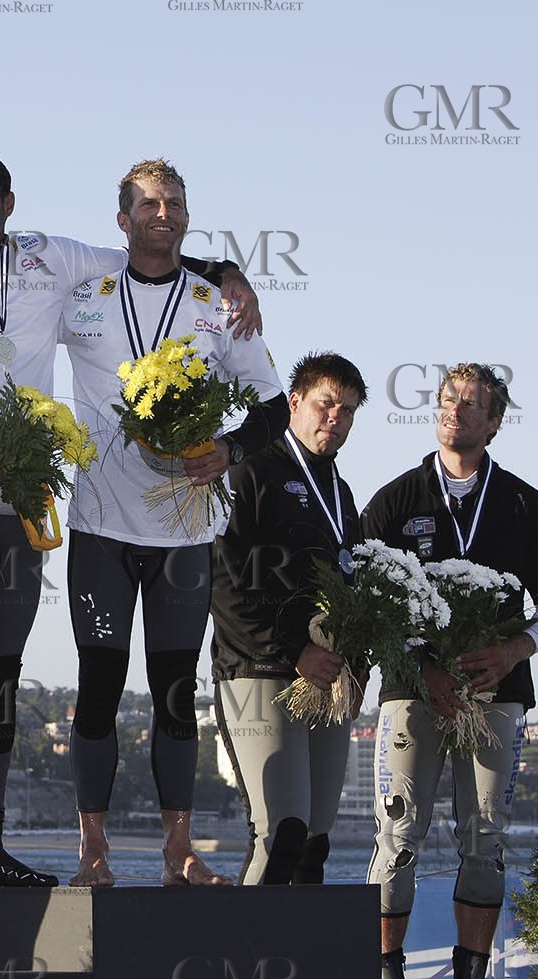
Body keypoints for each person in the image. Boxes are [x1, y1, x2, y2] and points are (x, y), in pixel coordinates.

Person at [0, 151, 259, 888]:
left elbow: (149, 252)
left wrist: (226, 271)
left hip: (18, 508)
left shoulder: (54, 261)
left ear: (10, 202)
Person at [60, 158, 288, 888]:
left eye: (176, 203)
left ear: (187, 216)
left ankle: (178, 851)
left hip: (184, 529)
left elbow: (274, 407)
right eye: (150, 203)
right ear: (122, 219)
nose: (165, 212)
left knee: (172, 692)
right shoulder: (83, 295)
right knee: (98, 685)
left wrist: (228, 450)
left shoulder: (218, 302)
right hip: (100, 521)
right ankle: (93, 850)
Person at [363, 364, 538, 979]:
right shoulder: (396, 499)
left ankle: (472, 971)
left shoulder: (523, 503)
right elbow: (368, 605)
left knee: (484, 841)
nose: (457, 409)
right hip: (412, 691)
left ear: (494, 423)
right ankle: (384, 968)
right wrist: (423, 665)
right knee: (397, 837)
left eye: (473, 403)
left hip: (497, 693)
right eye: (449, 398)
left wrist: (513, 652)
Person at [210, 352, 368, 885]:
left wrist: (356, 664)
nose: (335, 419)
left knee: (315, 843)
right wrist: (293, 651)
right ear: (294, 402)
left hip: (327, 680)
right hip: (259, 671)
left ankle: (299, 961)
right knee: (281, 834)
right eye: (326, 405)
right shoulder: (247, 470)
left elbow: (353, 588)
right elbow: (224, 584)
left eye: (347, 411)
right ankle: (246, 961)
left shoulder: (340, 493)